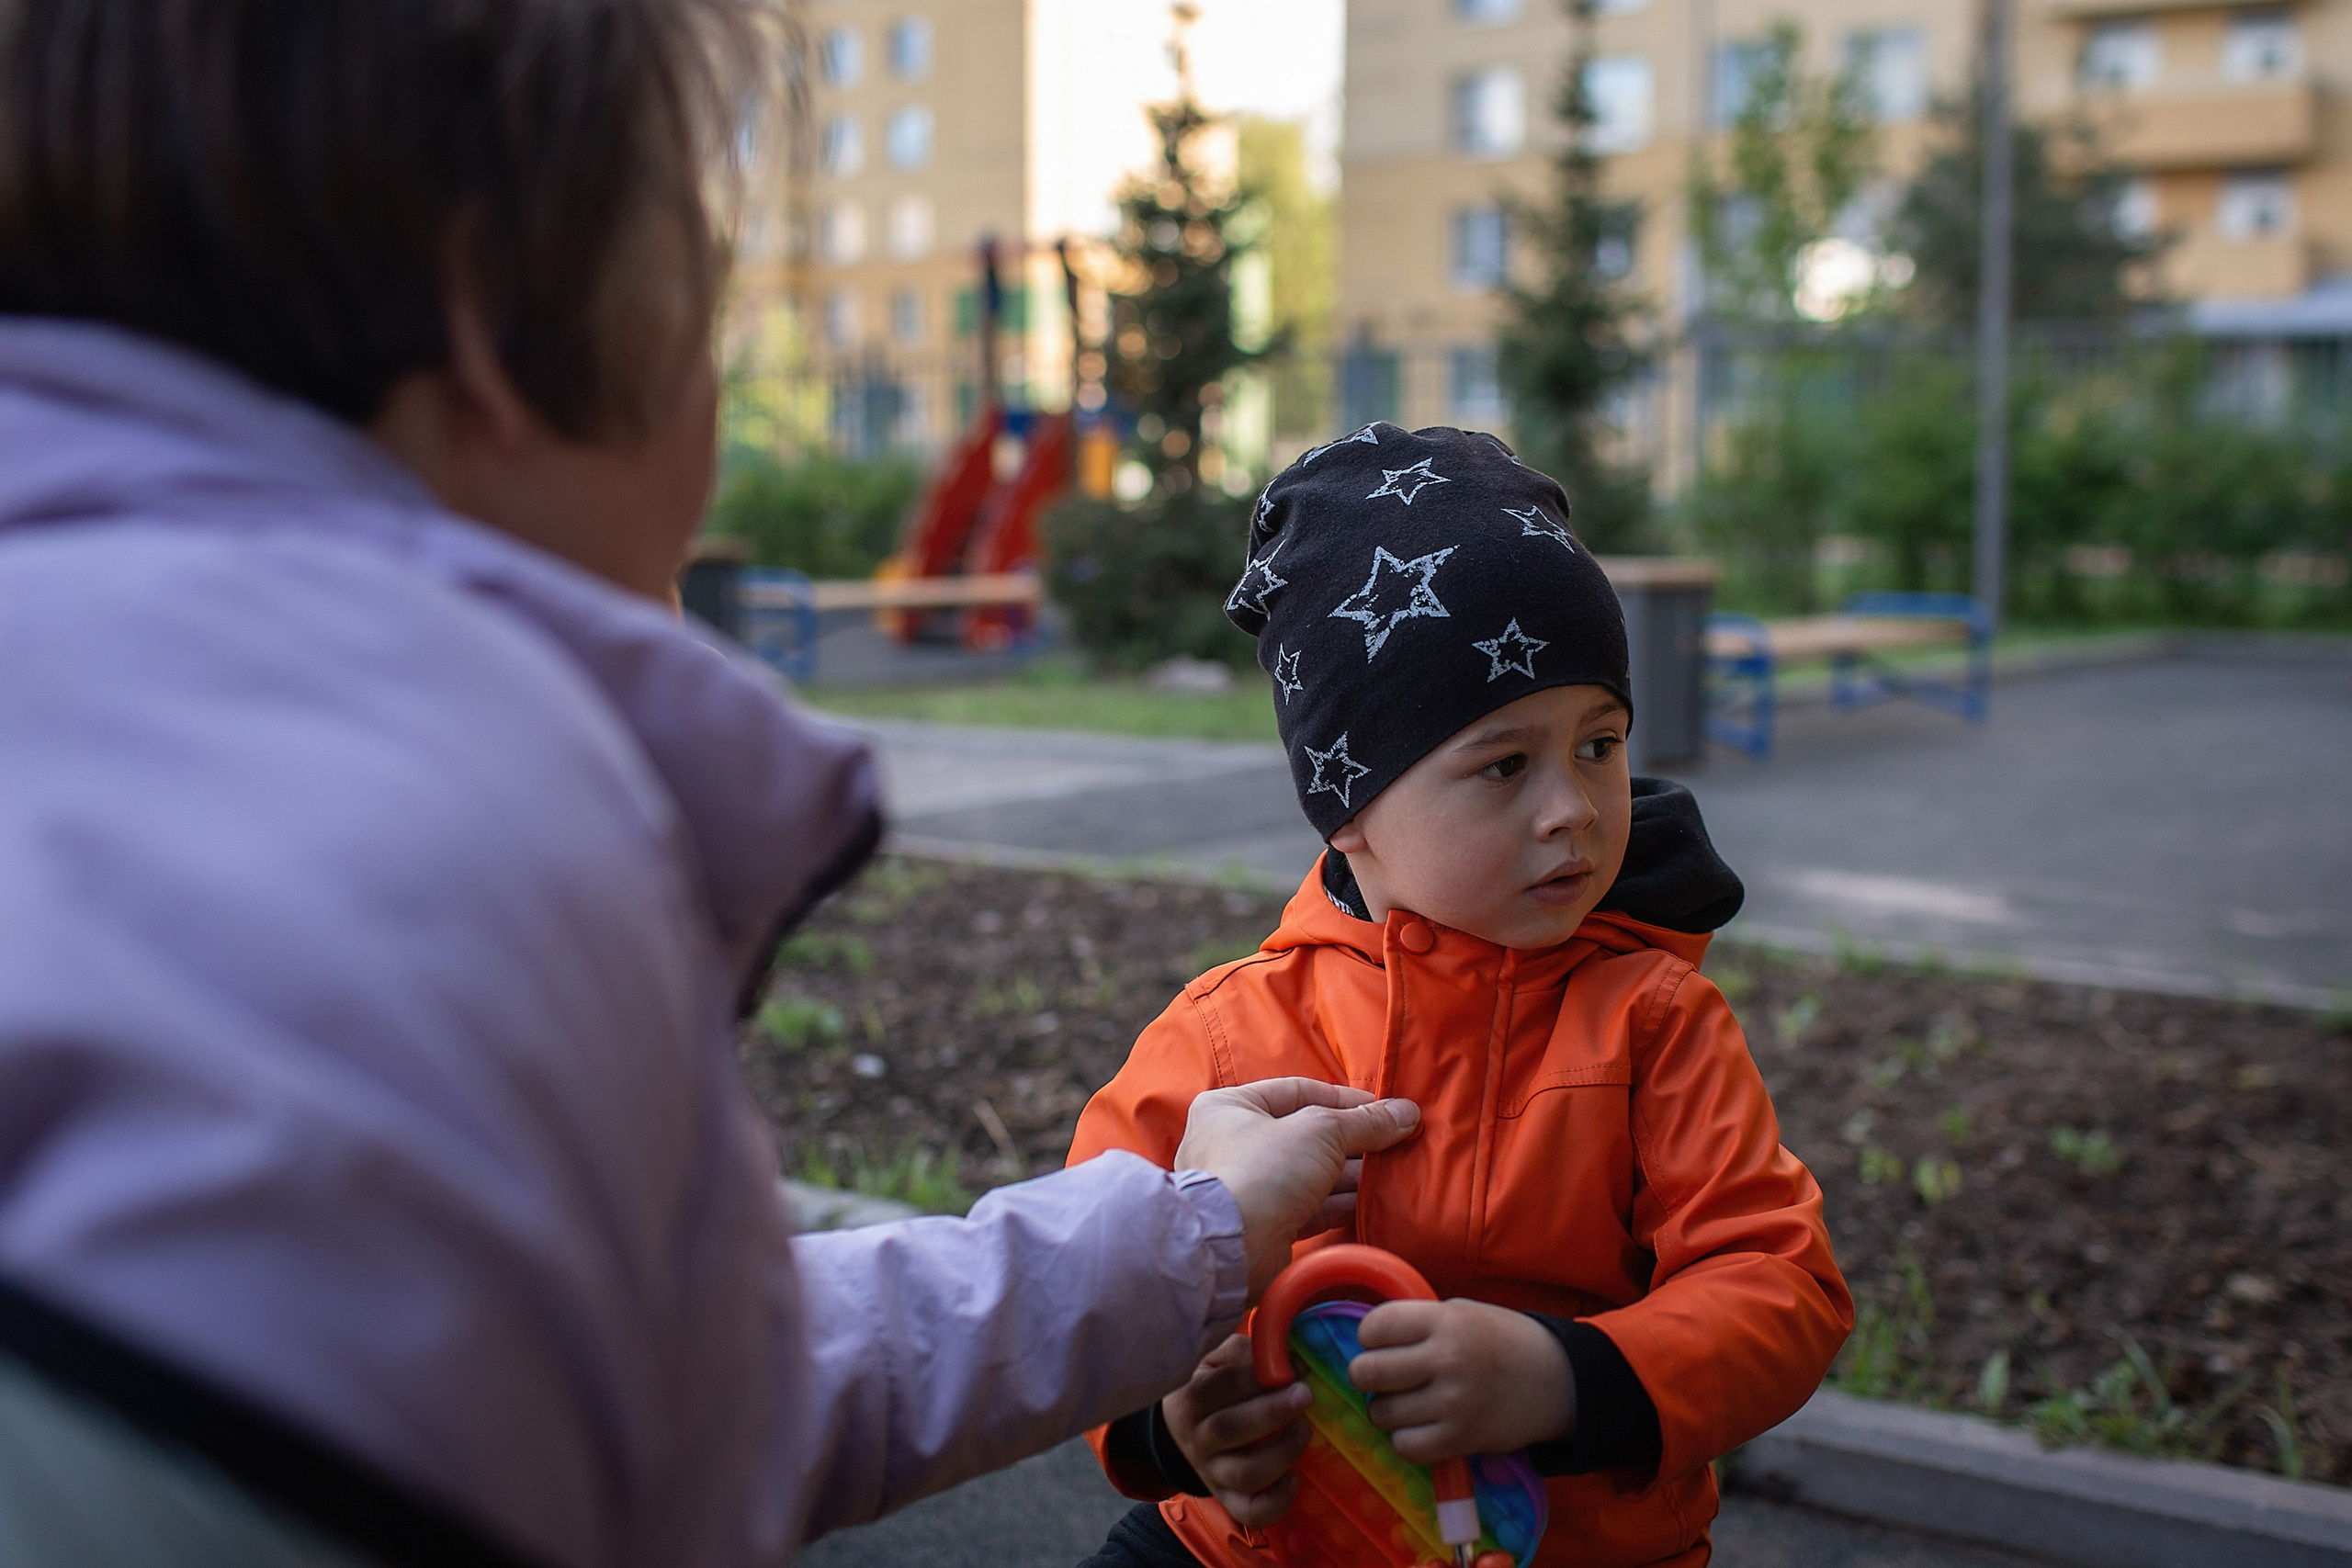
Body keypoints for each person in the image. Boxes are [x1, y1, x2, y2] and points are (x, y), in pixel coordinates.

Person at [0, 5, 1423, 1566]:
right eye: (707, 301)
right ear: (496, 317)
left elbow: (653, 1380)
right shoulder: (467, 839)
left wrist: (1183, 1235)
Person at [1068, 425, 1855, 1568]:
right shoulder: (1229, 1035)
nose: (1573, 810)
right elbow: (1091, 1272)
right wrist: (1174, 1425)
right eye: (1503, 765)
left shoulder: (1654, 1023)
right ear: (1348, 811)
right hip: (1254, 1542)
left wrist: (1561, 1378)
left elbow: (1778, 1285)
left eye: (1599, 745)